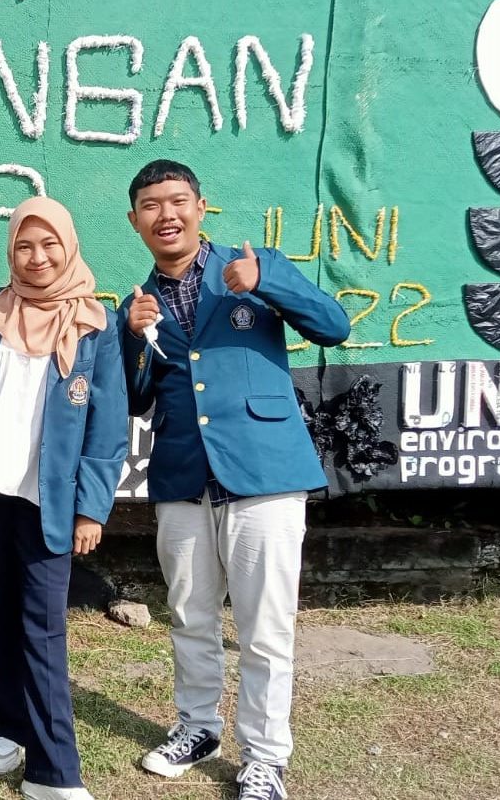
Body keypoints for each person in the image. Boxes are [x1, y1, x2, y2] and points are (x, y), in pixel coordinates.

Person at [119, 160, 349, 800]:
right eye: (151, 206)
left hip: (264, 471)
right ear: (135, 221)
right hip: (183, 477)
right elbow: (136, 398)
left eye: (178, 201)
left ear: (201, 207)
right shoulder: (136, 304)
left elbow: (333, 325)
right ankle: (197, 728)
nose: (166, 215)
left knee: (264, 628)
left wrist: (266, 281)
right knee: (189, 616)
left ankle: (265, 759)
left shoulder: (254, 266)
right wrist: (132, 339)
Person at [0, 196, 128, 800]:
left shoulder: (96, 323)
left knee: (43, 629)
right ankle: (12, 724)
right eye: (24, 245)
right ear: (10, 251)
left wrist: (92, 507)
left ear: (68, 247)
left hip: (51, 501)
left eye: (49, 244)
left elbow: (107, 427)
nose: (37, 256)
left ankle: (54, 771)